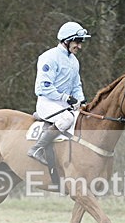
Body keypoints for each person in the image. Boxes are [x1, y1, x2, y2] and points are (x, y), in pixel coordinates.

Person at [27, 21, 90, 164]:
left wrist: (82, 101)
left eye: (81, 43)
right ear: (67, 40)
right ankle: (37, 148)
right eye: (77, 42)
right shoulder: (49, 57)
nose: (79, 46)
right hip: (47, 102)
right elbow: (44, 87)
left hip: (64, 104)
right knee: (67, 118)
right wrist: (66, 98)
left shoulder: (74, 61)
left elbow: (76, 85)